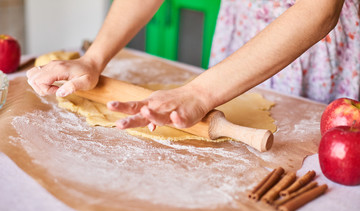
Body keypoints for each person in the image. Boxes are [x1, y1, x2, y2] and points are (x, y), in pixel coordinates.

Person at [27, 0, 359, 132]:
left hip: (322, 50)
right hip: (240, 36)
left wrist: (200, 93)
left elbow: (320, 10)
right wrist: (93, 59)